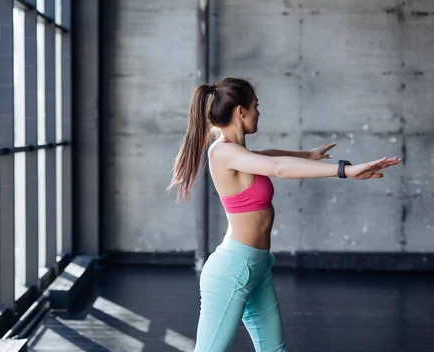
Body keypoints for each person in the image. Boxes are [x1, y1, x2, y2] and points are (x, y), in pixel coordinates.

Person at [167, 78, 401, 352]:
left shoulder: (239, 152)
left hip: (257, 267)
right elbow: (277, 166)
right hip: (232, 271)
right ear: (240, 112)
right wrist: (344, 170)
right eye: (256, 106)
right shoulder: (222, 151)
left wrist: (308, 155)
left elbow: (267, 155)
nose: (259, 112)